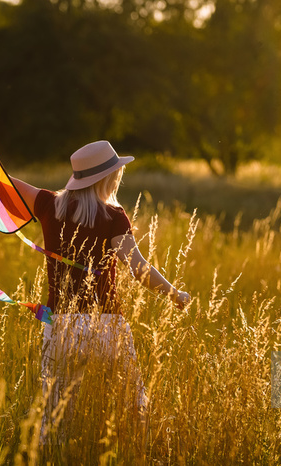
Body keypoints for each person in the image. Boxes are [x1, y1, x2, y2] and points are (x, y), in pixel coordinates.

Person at [11, 140, 190, 444]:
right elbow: (139, 268)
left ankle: (53, 457)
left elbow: (4, 182)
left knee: (55, 415)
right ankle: (139, 452)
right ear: (109, 178)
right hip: (105, 326)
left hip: (59, 325)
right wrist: (175, 294)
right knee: (133, 407)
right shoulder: (113, 216)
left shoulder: (47, 204)